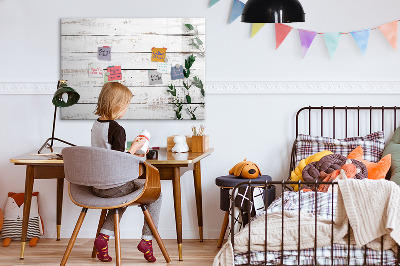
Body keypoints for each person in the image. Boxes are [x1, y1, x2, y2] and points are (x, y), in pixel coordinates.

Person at [91, 82, 162, 263]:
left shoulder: (96, 125)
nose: (126, 109)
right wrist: (135, 149)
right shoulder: (117, 129)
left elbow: (108, 154)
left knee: (121, 198)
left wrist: (132, 150)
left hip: (97, 186)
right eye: (126, 105)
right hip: (114, 186)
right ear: (117, 105)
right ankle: (147, 240)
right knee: (156, 194)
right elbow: (119, 161)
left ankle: (104, 238)